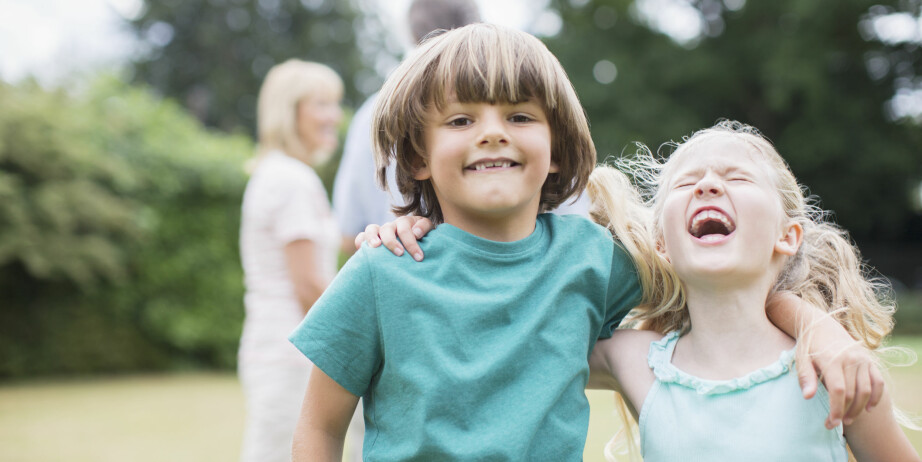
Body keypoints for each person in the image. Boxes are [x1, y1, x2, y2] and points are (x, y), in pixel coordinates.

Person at [291, 25, 880, 460]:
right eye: (461, 120)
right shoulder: (383, 268)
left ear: (556, 149)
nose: (492, 132)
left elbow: (729, 284)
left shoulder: (594, 259)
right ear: (418, 157)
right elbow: (319, 426)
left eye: (520, 117)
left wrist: (818, 328)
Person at [586, 121, 919, 460]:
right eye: (685, 183)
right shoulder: (636, 361)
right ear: (662, 245)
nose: (707, 185)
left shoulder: (835, 368)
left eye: (738, 178)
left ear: (787, 236)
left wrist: (809, 321)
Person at [238, 59, 357, 462]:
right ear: (289, 112)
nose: (334, 117)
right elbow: (308, 287)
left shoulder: (278, 173)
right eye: (321, 105)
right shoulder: (291, 179)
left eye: (334, 104)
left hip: (277, 349)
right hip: (292, 356)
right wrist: (362, 342)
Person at [331, 0, 482, 254]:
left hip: (396, 260)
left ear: (412, 34)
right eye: (459, 122)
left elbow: (348, 234)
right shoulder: (504, 99)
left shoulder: (371, 115)